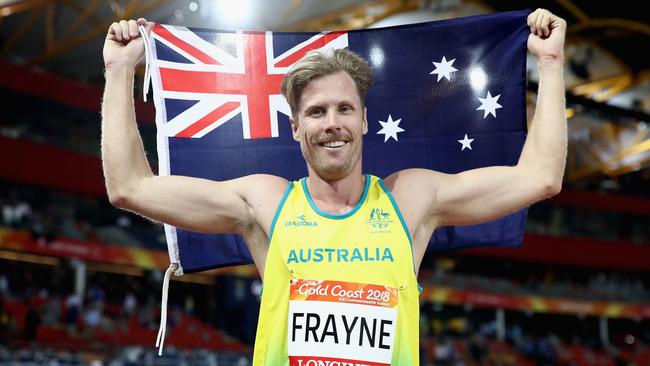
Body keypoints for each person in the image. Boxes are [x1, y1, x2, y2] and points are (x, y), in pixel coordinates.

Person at [102, 8, 567, 365]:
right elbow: (130, 188)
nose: (332, 124)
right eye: (316, 112)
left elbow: (539, 177)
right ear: (295, 128)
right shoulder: (264, 202)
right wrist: (120, 71)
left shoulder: (411, 199)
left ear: (365, 120)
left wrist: (549, 63)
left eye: (344, 109)